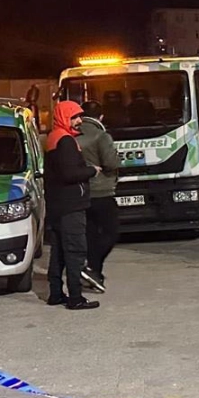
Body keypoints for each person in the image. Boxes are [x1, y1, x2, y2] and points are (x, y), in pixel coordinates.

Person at [44, 100, 99, 310]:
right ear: (64, 117)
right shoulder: (65, 141)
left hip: (57, 205)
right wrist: (92, 170)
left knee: (58, 252)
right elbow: (69, 174)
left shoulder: (53, 138)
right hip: (71, 206)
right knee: (75, 250)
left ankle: (56, 294)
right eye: (75, 117)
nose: (79, 121)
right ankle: (76, 297)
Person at [76, 100, 120, 293]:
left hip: (81, 192)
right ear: (101, 116)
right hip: (102, 191)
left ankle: (94, 273)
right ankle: (92, 267)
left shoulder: (72, 134)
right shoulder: (101, 136)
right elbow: (111, 163)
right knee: (111, 232)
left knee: (91, 234)